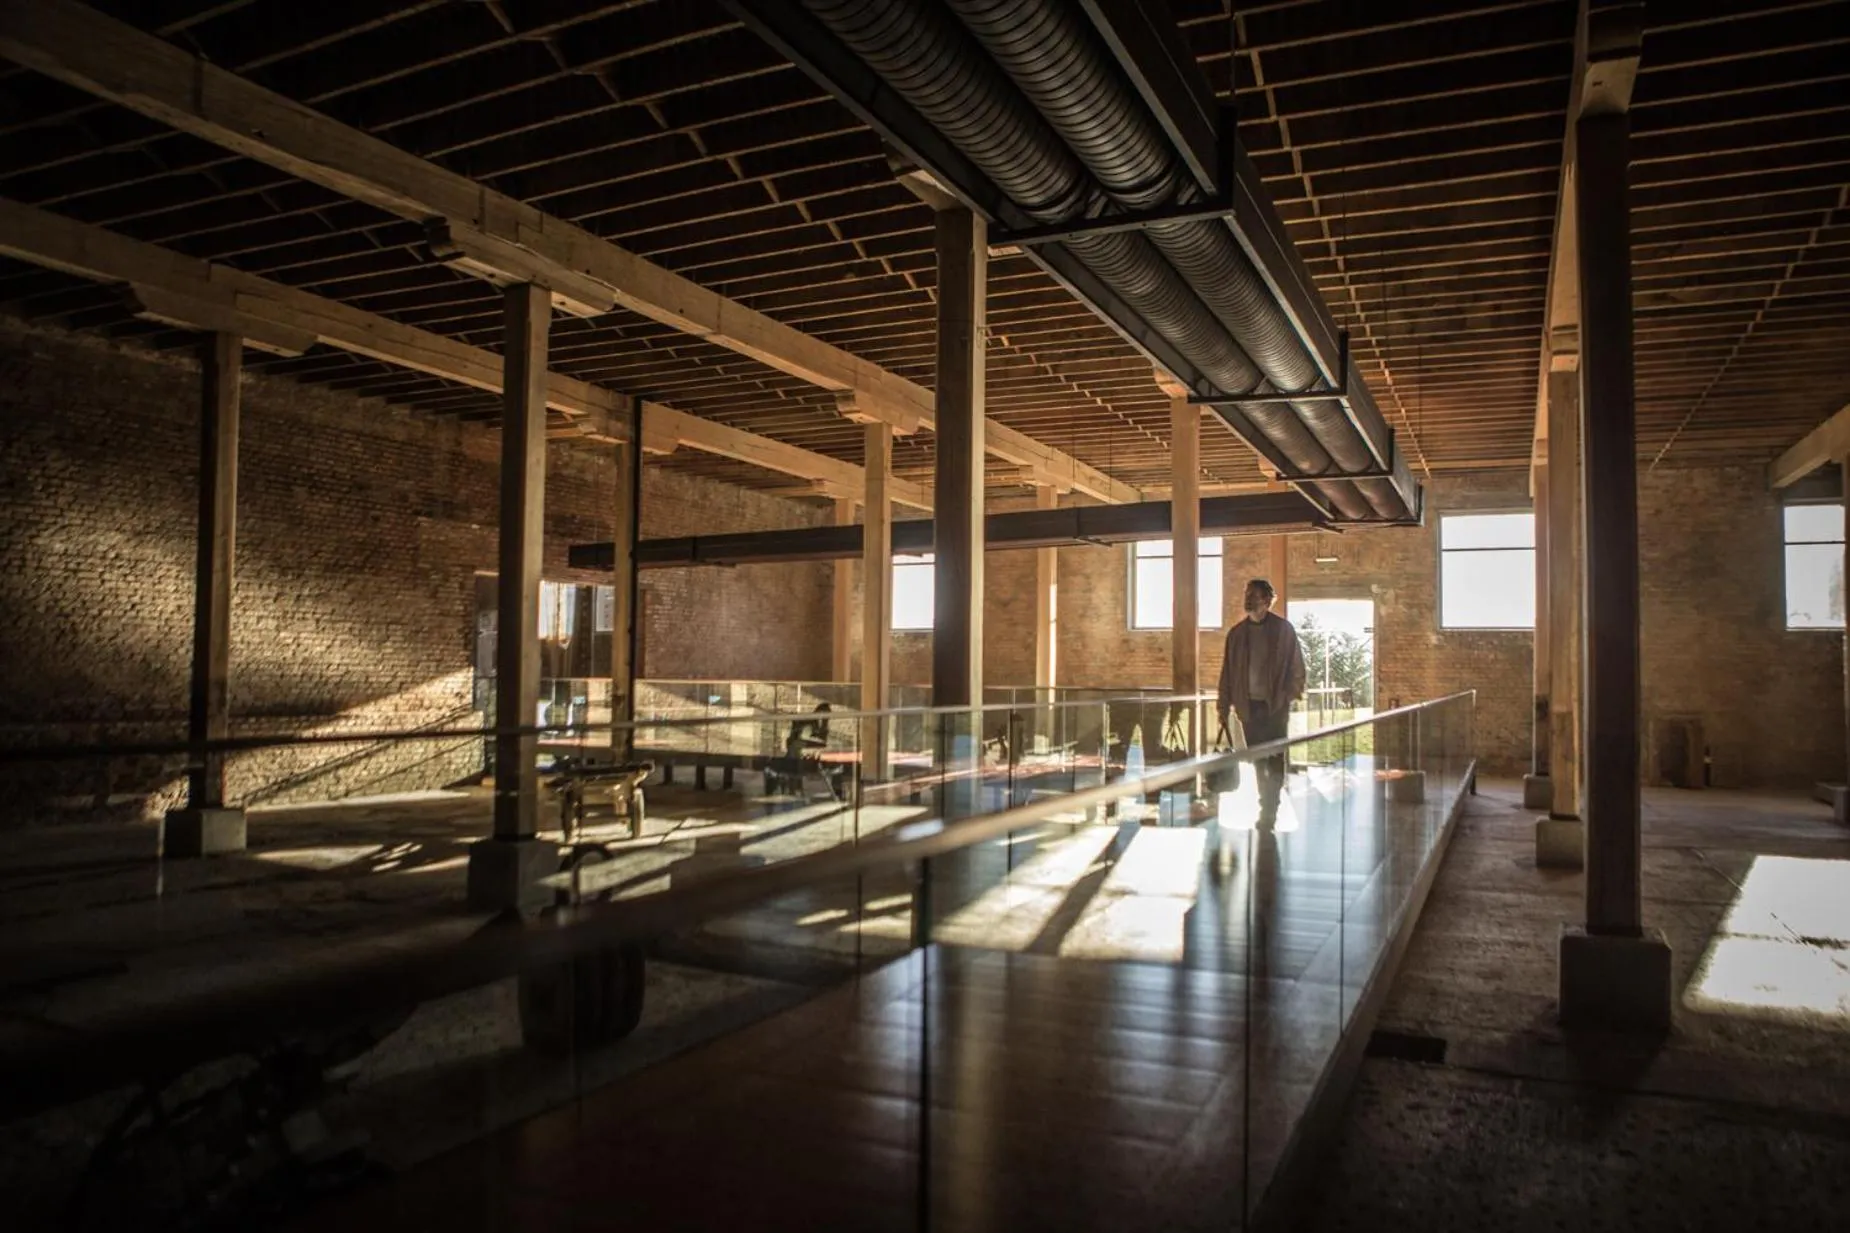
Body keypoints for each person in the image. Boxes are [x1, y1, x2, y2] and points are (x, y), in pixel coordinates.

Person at [1216, 579, 1307, 828]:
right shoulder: (1236, 634)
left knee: (1275, 757)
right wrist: (1223, 705)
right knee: (1258, 759)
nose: (1248, 599)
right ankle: (1264, 802)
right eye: (1247, 593)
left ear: (1267, 600)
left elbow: (1297, 667)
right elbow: (1227, 673)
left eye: (1254, 595)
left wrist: (1287, 697)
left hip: (1274, 707)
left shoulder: (1283, 630)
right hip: (1248, 708)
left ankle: (1271, 807)